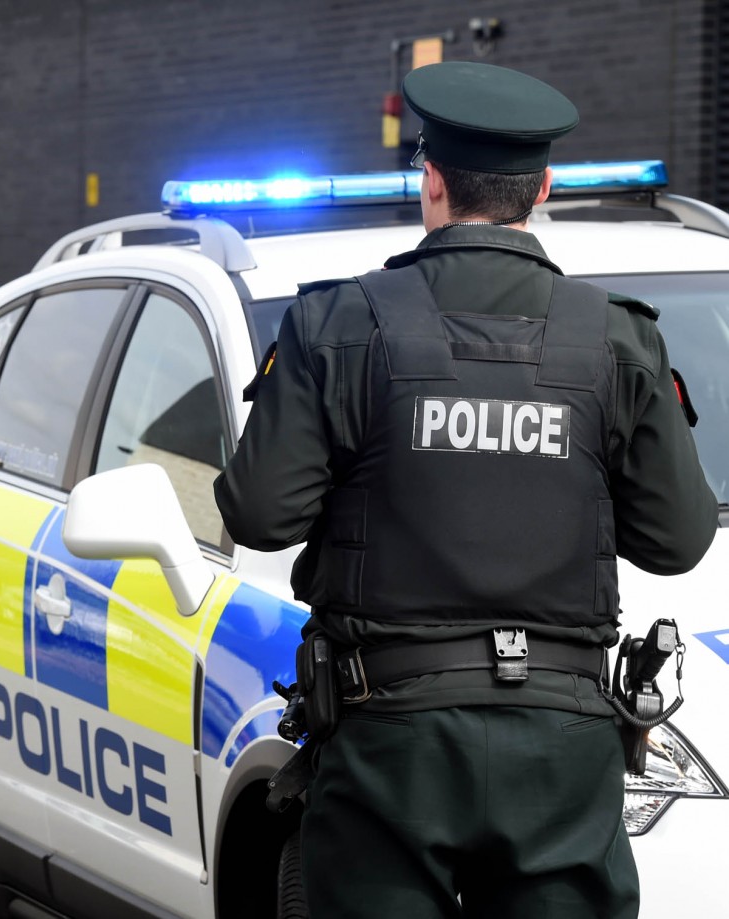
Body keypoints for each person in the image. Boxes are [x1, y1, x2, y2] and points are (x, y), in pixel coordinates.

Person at [214, 62, 718, 919]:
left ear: (432, 179)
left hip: (389, 750)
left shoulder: (338, 325)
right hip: (562, 752)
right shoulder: (618, 341)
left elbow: (260, 516)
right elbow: (677, 540)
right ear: (544, 189)